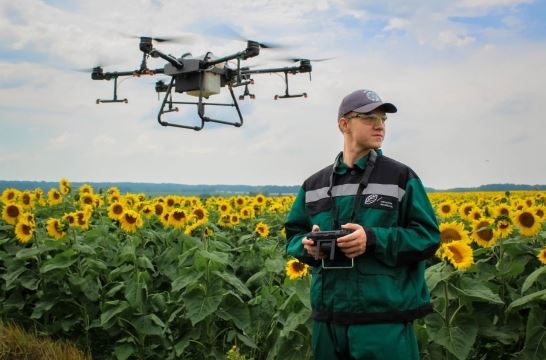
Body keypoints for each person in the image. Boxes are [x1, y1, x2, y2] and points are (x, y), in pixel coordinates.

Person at [284, 89, 440, 360]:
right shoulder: (314, 184)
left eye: (383, 118)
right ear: (344, 124)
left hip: (382, 322)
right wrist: (308, 246)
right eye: (369, 117)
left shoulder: (400, 177)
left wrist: (372, 239)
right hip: (328, 322)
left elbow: (427, 236)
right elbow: (294, 236)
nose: (379, 124)